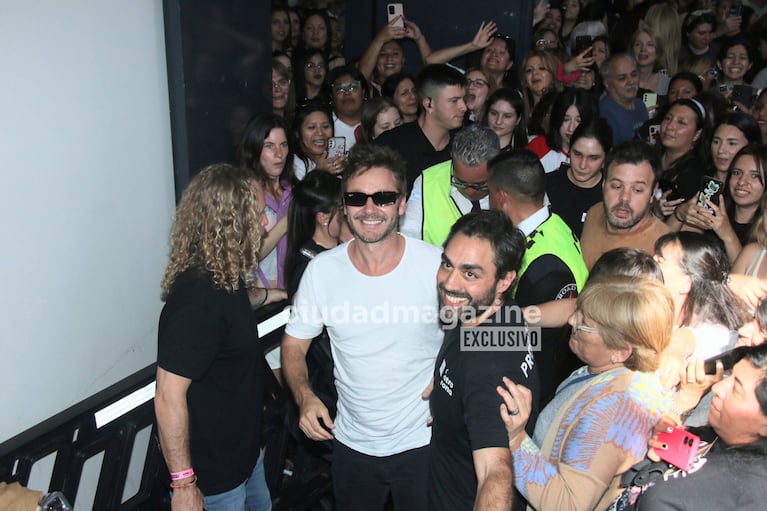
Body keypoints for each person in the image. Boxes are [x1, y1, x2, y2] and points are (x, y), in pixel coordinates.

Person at [281, 144, 444, 511]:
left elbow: (475, 331)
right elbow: (293, 346)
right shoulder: (322, 271)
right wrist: (304, 395)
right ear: (344, 206)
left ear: (402, 204)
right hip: (352, 448)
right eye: (357, 198)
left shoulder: (435, 265)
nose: (369, 209)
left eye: (383, 198)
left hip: (424, 445)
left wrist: (453, 378)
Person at [497, 276, 675, 511]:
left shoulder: (610, 412)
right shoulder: (619, 371)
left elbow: (567, 505)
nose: (571, 321)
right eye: (579, 312)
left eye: (584, 323)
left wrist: (516, 440)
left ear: (621, 351)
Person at [155, 163, 272, 510]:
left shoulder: (225, 276)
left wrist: (272, 294)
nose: (266, 223)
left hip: (245, 461)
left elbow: (228, 319)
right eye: (260, 214)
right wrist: (184, 484)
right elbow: (167, 396)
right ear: (231, 223)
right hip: (214, 479)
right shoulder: (196, 299)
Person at [428, 210, 540, 511]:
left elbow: (495, 471)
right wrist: (446, 390)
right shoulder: (497, 314)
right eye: (446, 265)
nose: (449, 284)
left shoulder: (483, 371)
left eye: (470, 273)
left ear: (504, 281)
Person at [489, 148, 589, 403]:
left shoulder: (541, 264)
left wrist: (465, 339)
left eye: (489, 192)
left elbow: (527, 337)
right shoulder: (556, 224)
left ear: (501, 197)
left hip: (538, 384)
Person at [621, 344, 767, 509]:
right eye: (730, 376)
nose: (717, 387)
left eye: (736, 389)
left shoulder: (749, 496)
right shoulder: (717, 435)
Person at [402, 124, 499, 246]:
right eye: (461, 183)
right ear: (452, 156)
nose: (470, 191)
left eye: (480, 185)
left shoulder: (512, 184)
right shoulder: (427, 182)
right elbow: (409, 237)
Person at [375, 64, 467, 192]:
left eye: (463, 99)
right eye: (454, 101)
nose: (464, 107)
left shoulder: (467, 142)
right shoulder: (390, 145)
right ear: (428, 104)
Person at [580, 140, 671, 269]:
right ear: (603, 184)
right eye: (617, 186)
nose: (624, 198)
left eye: (637, 190)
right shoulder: (594, 213)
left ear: (653, 193)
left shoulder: (663, 251)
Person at [546, 117, 614, 238]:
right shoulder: (546, 185)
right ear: (569, 150)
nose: (582, 165)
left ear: (606, 157)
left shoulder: (614, 193)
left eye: (593, 158)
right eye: (577, 154)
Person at [526, 87, 599, 172]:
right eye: (566, 119)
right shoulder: (538, 147)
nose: (571, 128)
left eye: (578, 121)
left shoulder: (599, 155)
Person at [599, 54, 649, 144]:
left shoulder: (640, 104)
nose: (631, 81)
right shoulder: (605, 115)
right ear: (607, 84)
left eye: (634, 75)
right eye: (622, 78)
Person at [292, 100, 345, 180]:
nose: (320, 133)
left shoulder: (335, 158)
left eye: (325, 126)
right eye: (311, 127)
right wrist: (318, 172)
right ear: (297, 133)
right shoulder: (293, 163)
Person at [326, 66, 367, 152]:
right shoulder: (325, 126)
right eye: (340, 89)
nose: (347, 93)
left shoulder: (375, 120)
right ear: (331, 96)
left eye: (353, 87)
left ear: (363, 92)